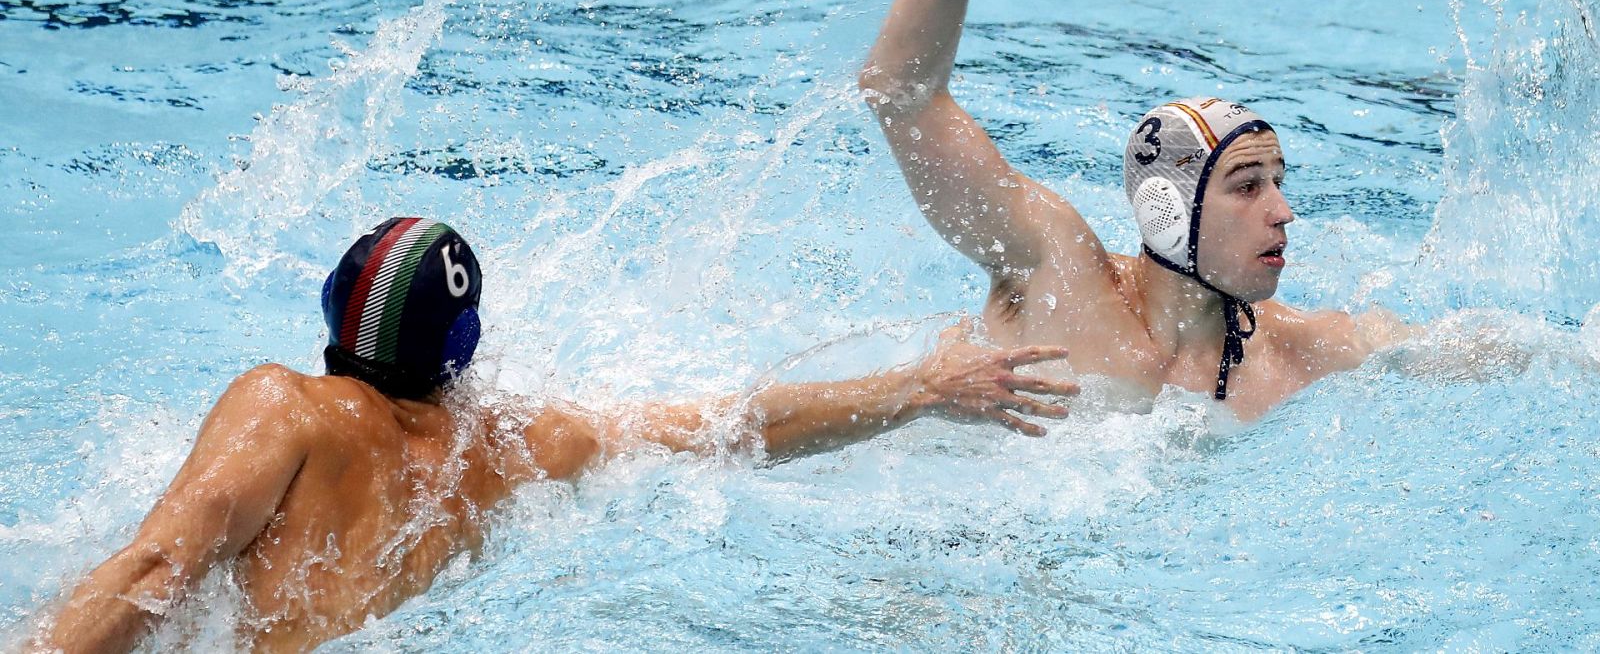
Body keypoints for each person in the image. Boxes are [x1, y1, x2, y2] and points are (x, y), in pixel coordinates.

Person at [31, 216, 1077, 653]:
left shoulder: (285, 406)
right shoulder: (520, 450)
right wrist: (920, 385)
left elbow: (163, 564)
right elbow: (731, 428)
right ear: (466, 345)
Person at [859, 0, 1416, 421]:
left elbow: (1461, 352)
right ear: (1168, 209)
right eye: (1248, 186)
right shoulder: (1056, 276)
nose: (1284, 211)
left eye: (1277, 182)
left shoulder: (1301, 350)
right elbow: (900, 94)